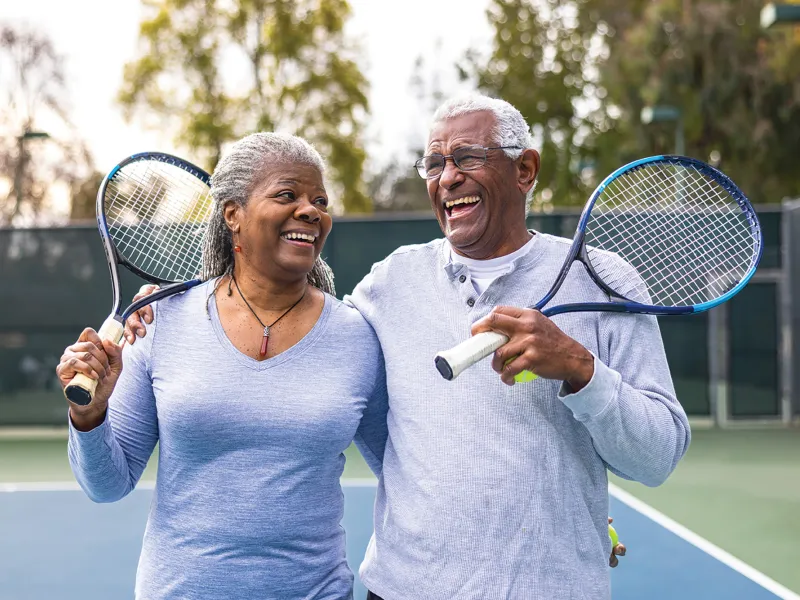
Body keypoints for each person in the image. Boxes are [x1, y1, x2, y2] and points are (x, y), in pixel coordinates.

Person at [127, 95, 676, 599]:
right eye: (434, 164)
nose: (448, 177)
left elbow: (656, 457)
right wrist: (178, 306)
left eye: (467, 157)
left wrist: (580, 370)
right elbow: (383, 429)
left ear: (524, 170)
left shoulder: (604, 282)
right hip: (404, 589)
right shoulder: (388, 287)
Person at [56, 132, 389, 599]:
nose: (311, 211)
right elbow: (107, 485)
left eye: (320, 201)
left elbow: (402, 469)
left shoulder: (356, 335)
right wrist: (88, 415)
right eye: (287, 194)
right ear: (233, 215)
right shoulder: (161, 320)